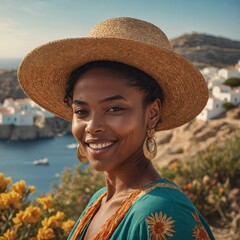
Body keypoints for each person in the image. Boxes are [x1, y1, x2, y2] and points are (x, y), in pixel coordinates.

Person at [18, 17, 215, 239]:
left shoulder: (164, 215)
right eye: (81, 112)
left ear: (152, 114)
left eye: (114, 109)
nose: (92, 127)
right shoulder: (99, 200)